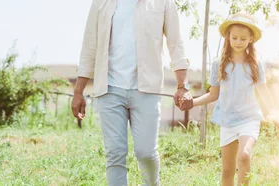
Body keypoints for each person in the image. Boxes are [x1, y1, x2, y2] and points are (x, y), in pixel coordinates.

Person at [70, 0, 193, 185]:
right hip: (109, 89)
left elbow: (176, 43)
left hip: (146, 89)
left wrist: (182, 85)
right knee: (115, 154)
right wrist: (79, 91)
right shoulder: (101, 3)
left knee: (146, 153)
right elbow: (89, 46)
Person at [180, 12, 279, 186]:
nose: (238, 42)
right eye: (234, 37)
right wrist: (192, 102)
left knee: (244, 156)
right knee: (227, 172)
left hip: (249, 119)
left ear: (251, 39)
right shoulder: (218, 64)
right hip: (227, 121)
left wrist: (274, 114)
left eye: (243, 38)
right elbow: (213, 94)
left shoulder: (255, 64)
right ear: (228, 37)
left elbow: (263, 92)